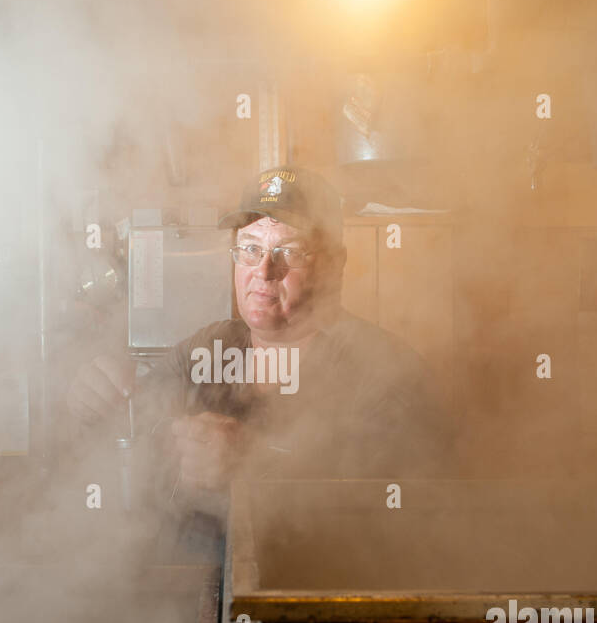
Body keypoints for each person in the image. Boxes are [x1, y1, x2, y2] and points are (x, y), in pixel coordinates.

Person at [66, 166, 458, 532]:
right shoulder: (211, 347)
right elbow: (138, 421)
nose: (264, 271)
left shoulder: (385, 374)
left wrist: (259, 465)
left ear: (334, 265)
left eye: (290, 252)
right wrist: (98, 401)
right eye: (250, 248)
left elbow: (408, 515)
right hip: (203, 582)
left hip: (305, 595)